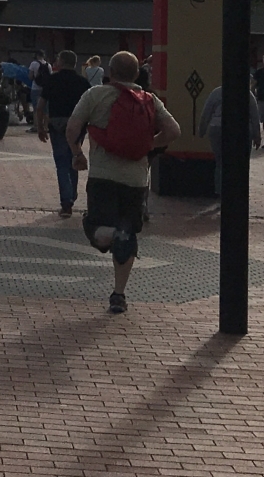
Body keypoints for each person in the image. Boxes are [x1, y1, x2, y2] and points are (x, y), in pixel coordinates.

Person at [65, 51, 180, 314]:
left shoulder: (95, 95)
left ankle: (111, 234)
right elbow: (174, 130)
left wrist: (77, 153)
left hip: (103, 177)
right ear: (137, 74)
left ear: (110, 72)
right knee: (128, 235)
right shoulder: (149, 100)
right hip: (136, 180)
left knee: (96, 227)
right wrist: (149, 144)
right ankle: (119, 294)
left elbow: (72, 128)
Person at [34, 50, 90, 218]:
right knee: (74, 156)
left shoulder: (52, 80)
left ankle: (66, 202)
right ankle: (72, 193)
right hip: (77, 124)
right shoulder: (82, 82)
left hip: (57, 125)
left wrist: (40, 127)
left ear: (62, 61)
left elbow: (40, 106)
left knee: (61, 162)